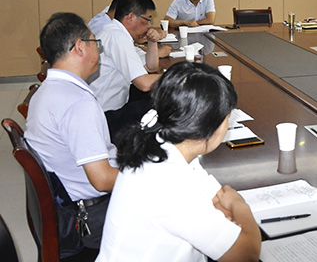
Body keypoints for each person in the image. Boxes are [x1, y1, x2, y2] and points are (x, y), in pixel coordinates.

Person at [96, 62, 261, 262]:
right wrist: (239, 204)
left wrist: (227, 211)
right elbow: (246, 254)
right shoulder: (169, 183)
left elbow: (216, 200)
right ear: (210, 128)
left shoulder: (159, 138)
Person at [25, 12, 118, 253]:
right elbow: (102, 180)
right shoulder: (77, 103)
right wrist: (150, 177)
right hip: (91, 221)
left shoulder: (45, 91)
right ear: (80, 47)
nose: (98, 50)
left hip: (69, 208)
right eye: (95, 42)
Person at [89, 0, 162, 135]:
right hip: (104, 117)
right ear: (130, 17)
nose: (149, 26)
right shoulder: (117, 37)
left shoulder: (117, 33)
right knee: (160, 110)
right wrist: (178, 75)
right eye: (147, 20)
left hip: (108, 110)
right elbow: (144, 84)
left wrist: (152, 42)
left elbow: (151, 67)